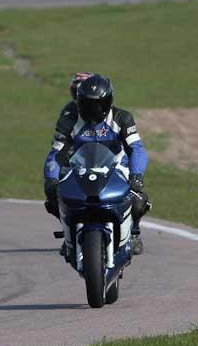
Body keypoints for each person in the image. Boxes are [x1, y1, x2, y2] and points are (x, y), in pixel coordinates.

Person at [43, 74, 150, 255]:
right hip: (80, 168)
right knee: (54, 197)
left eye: (98, 104)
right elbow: (56, 154)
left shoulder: (122, 118)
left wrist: (136, 175)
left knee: (138, 200)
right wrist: (51, 179)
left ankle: (133, 232)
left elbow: (137, 149)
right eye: (87, 104)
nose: (93, 109)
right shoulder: (69, 121)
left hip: (117, 168)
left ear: (108, 101)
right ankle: (70, 233)